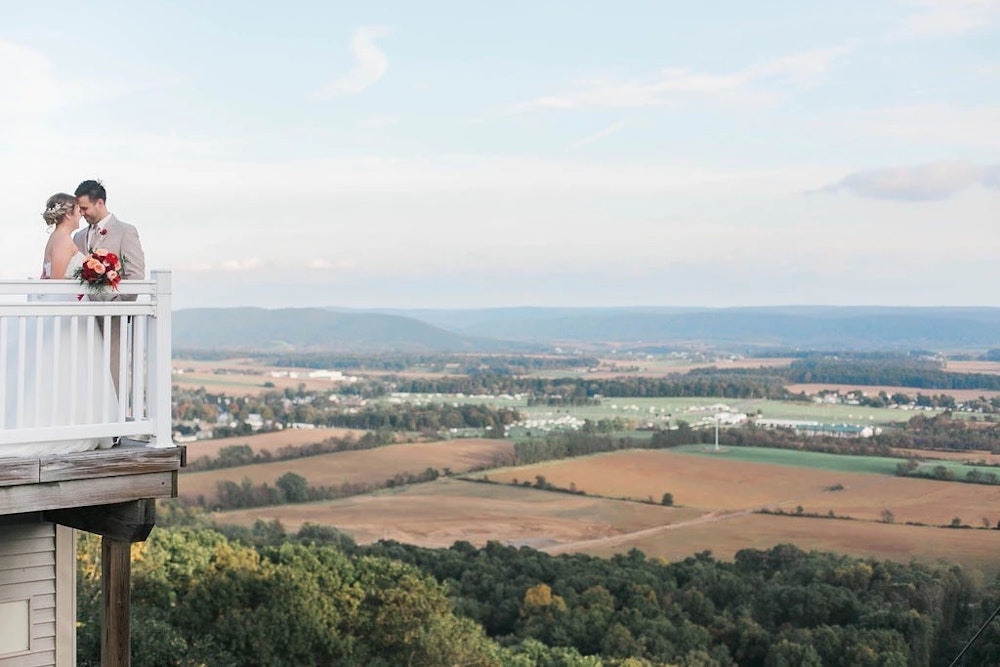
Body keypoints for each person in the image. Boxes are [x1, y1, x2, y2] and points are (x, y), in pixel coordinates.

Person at [0, 193, 118, 455]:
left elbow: (47, 277)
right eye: (77, 210)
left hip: (70, 313)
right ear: (68, 213)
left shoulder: (55, 239)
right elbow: (55, 282)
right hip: (69, 317)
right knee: (69, 368)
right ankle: (65, 425)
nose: (81, 214)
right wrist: (84, 285)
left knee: (67, 369)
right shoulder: (64, 241)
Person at [73, 180, 146, 391]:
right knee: (85, 372)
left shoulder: (125, 231)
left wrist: (118, 307)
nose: (82, 213)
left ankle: (115, 417)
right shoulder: (78, 237)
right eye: (79, 209)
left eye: (85, 208)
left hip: (114, 317)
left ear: (100, 203)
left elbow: (136, 275)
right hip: (82, 317)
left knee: (112, 372)